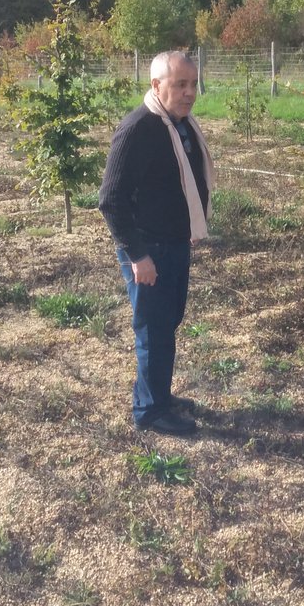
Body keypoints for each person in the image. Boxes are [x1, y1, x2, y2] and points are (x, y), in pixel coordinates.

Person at [99, 51, 215, 436]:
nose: (189, 93)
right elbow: (110, 199)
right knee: (153, 329)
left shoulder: (180, 125)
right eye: (180, 84)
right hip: (149, 250)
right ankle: (149, 412)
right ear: (156, 85)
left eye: (193, 84)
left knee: (167, 324)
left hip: (175, 243)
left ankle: (159, 396)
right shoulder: (139, 129)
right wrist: (138, 255)